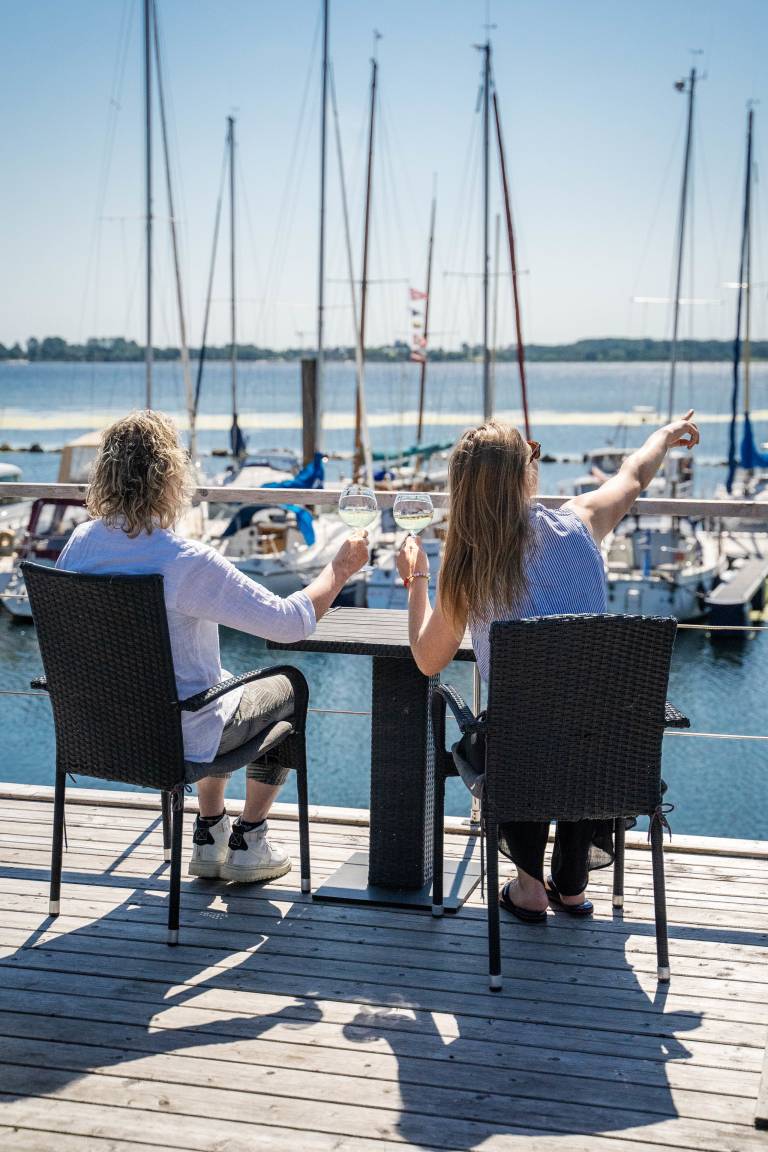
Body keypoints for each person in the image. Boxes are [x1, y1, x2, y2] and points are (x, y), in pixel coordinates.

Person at [396, 410, 700, 922]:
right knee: (581, 717)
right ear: (526, 473)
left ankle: (530, 887)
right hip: (607, 751)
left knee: (512, 729)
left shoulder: (469, 564)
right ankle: (572, 884)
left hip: (524, 755)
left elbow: (428, 660)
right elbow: (633, 475)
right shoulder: (582, 521)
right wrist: (664, 436)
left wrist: (418, 578)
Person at [57, 410, 368, 884]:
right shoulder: (185, 561)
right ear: (170, 476)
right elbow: (289, 624)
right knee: (286, 689)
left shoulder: (80, 544)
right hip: (179, 737)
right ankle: (250, 839)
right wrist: (340, 569)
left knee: (216, 686)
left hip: (99, 732)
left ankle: (210, 830)